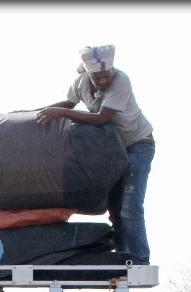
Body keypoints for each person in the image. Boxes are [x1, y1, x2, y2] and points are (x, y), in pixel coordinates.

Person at [35, 44, 155, 264]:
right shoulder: (80, 83)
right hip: (112, 149)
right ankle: (122, 254)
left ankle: (139, 258)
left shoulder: (121, 80)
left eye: (105, 75)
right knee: (115, 206)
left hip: (137, 145)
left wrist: (61, 113)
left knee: (130, 205)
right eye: (97, 77)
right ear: (88, 73)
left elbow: (102, 118)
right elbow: (67, 103)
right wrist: (36, 113)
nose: (102, 80)